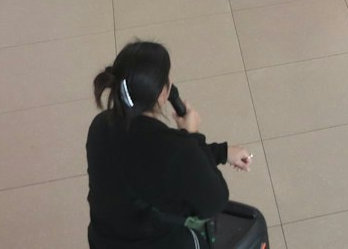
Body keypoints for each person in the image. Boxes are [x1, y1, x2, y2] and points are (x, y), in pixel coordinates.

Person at [85, 41, 257, 249]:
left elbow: (166, 163)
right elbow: (215, 200)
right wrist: (193, 135)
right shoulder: (173, 148)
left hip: (103, 240)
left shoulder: (102, 124)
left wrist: (222, 152)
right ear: (163, 94)